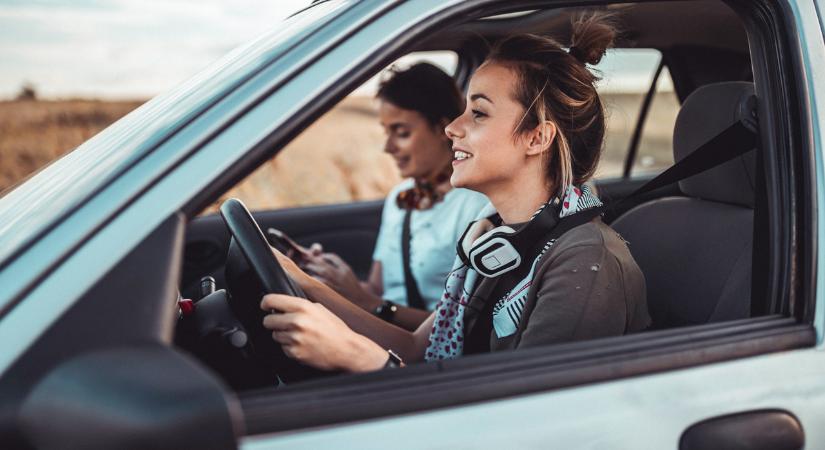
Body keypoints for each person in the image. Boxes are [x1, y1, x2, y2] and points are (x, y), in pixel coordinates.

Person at [260, 13, 651, 373]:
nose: (452, 128)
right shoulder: (496, 238)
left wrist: (358, 357)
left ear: (537, 137)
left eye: (478, 113)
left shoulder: (586, 260)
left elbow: (522, 413)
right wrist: (304, 282)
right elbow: (415, 349)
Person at [300, 63, 488, 331]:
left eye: (401, 133)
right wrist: (331, 279)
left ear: (442, 128)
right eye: (386, 132)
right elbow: (376, 289)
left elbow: (464, 326)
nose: (388, 147)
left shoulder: (476, 206)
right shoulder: (399, 197)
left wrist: (368, 302)